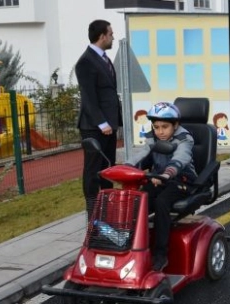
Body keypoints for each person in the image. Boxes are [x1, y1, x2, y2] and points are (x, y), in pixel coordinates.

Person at [124, 102, 198, 271]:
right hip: (159, 178)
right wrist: (126, 166)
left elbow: (181, 156)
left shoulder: (185, 138)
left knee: (162, 202)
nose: (160, 132)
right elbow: (142, 153)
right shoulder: (153, 136)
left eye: (165, 127)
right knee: (139, 201)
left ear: (176, 125)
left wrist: (166, 174)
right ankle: (130, 248)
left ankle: (161, 254)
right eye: (156, 127)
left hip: (182, 180)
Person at [75, 19, 122, 218]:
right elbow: (89, 97)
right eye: (110, 34)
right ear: (102, 36)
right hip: (95, 127)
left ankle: (107, 207)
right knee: (93, 169)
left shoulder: (103, 58)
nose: (112, 37)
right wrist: (101, 123)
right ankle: (92, 209)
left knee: (107, 167)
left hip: (108, 126)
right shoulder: (86, 62)